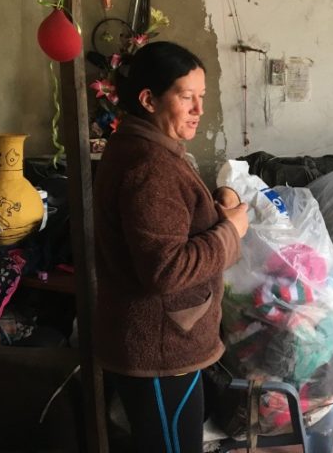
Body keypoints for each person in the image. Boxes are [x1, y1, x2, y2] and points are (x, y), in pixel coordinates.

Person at [93, 41, 249, 453]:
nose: (200, 110)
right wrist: (231, 232)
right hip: (159, 348)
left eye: (202, 97)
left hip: (168, 341)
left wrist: (218, 208)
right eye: (186, 97)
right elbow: (166, 270)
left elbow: (168, 226)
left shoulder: (147, 149)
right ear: (148, 100)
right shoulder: (149, 167)